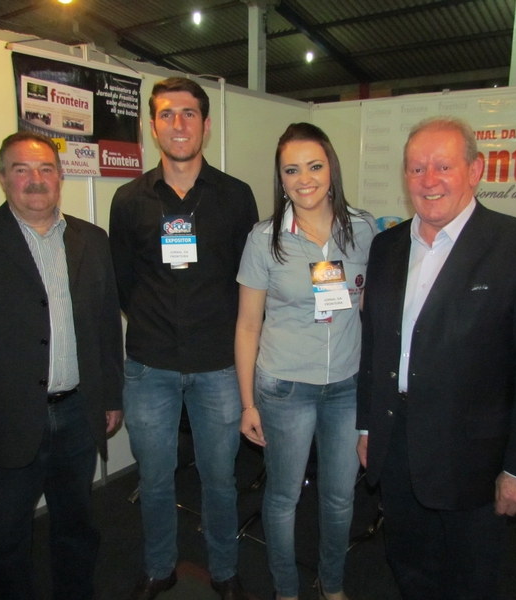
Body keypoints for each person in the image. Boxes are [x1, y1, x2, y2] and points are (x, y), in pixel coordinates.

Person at [357, 116, 516, 599]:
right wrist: (367, 426)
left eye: (443, 166)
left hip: (474, 458)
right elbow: (376, 346)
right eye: (416, 169)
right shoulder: (387, 246)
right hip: (397, 445)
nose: (428, 180)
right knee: (408, 565)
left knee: (470, 579)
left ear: (475, 171)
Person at [0, 132, 124, 600]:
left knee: (76, 528)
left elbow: (104, 327)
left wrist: (110, 397)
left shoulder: (92, 240)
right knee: (9, 540)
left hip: (77, 415)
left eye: (46, 169)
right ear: (2, 178)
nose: (36, 179)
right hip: (2, 419)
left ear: (60, 177)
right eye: (21, 169)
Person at [109, 77, 258, 600]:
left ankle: (224, 570)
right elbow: (124, 281)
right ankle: (160, 567)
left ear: (206, 125)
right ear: (153, 126)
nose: (179, 124)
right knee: (154, 479)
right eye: (167, 114)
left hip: (218, 364)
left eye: (189, 114)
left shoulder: (236, 196)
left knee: (220, 480)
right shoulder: (129, 200)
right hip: (150, 365)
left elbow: (248, 280)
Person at [236, 123, 377, 600]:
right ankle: (286, 589)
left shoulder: (363, 229)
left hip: (347, 387)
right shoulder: (264, 238)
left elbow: (370, 311)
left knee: (339, 497)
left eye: (314, 166)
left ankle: (332, 584)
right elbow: (247, 326)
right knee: (284, 496)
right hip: (285, 388)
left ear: (331, 168)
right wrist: (247, 404)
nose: (304, 179)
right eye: (291, 170)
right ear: (280, 178)